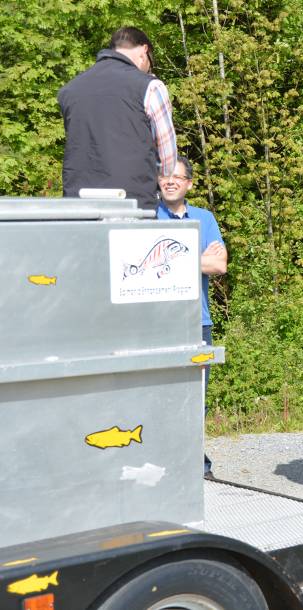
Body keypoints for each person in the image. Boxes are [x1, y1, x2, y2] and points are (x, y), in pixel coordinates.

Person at [157, 156, 227, 479]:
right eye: (164, 175)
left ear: (188, 183)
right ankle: (162, 462)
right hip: (157, 323)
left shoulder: (205, 218)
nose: (169, 181)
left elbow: (219, 266)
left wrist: (167, 263)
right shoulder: (146, 216)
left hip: (197, 322)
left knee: (195, 397)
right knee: (159, 395)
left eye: (176, 176)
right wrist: (196, 259)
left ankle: (195, 463)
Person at [58, 26, 177, 211]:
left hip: (78, 202)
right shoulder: (150, 86)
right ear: (144, 51)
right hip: (132, 202)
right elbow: (167, 156)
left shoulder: (69, 90)